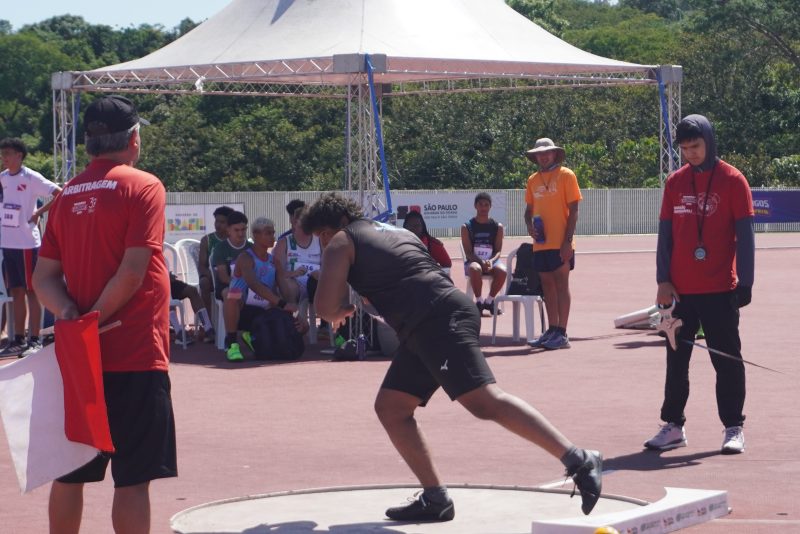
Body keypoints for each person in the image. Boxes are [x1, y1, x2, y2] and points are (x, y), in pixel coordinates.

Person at [303, 192, 602, 522]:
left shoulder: (341, 241)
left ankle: (578, 458)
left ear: (339, 224)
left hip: (435, 321)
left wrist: (343, 310)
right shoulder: (396, 232)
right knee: (392, 408)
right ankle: (436, 498)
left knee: (484, 401)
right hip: (435, 318)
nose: (323, 243)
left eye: (323, 235)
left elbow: (325, 308)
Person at [32, 95, 176, 533]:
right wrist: (94, 319)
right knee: (132, 479)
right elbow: (132, 272)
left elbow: (43, 279)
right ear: (133, 139)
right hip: (135, 351)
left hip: (80, 358)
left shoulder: (66, 195)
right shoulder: (143, 186)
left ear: (89, 143)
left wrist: (72, 315)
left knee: (69, 472)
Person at [644, 114, 754, 455]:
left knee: (727, 360)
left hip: (720, 290)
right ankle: (673, 425)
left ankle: (733, 426)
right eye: (685, 148)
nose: (691, 153)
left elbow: (745, 237)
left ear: (709, 141)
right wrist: (662, 279)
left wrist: (746, 282)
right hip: (680, 291)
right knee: (676, 361)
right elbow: (665, 235)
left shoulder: (733, 180)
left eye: (696, 146)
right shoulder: (675, 182)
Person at [0, 137, 62, 357]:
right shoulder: (2, 178)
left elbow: (59, 193)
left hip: (27, 244)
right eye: (2, 154)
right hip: (7, 243)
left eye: (8, 153)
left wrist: (38, 213)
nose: (4, 158)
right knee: (15, 291)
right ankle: (17, 339)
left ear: (19, 155)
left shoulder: (31, 177)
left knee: (31, 291)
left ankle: (34, 339)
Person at [523, 137, 582, 351]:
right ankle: (552, 329)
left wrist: (567, 241)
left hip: (561, 241)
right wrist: (529, 226)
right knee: (547, 286)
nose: (544, 156)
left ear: (555, 154)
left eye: (547, 152)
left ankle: (562, 332)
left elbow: (574, 210)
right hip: (541, 242)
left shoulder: (567, 175)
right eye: (540, 153)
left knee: (561, 284)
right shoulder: (532, 179)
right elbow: (528, 211)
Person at [226, 217, 305, 361]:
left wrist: (297, 314)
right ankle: (232, 345)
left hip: (264, 311)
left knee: (298, 323)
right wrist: (282, 304)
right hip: (242, 310)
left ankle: (254, 336)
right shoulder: (245, 258)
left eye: (273, 233)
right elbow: (254, 284)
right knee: (232, 295)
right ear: (256, 235)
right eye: (268, 233)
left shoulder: (274, 261)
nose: (272, 237)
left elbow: (285, 291)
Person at [460, 192, 506, 315]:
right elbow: (468, 252)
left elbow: (498, 251)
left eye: (486, 205)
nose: (483, 208)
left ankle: (489, 301)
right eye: (480, 204)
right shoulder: (466, 227)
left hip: (491, 262)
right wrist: (481, 262)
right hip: (474, 261)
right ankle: (479, 302)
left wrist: (490, 261)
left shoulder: (498, 227)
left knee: (503, 271)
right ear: (475, 206)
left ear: (490, 207)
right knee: (475, 269)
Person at [273, 205, 322, 307]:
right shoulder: (283, 243)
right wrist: (293, 273)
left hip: (316, 283)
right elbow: (278, 274)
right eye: (304, 222)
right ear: (295, 223)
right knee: (287, 283)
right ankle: (293, 312)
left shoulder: (320, 240)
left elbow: (329, 267)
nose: (308, 226)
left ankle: (322, 314)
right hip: (294, 284)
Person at [198, 205, 234, 316]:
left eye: (222, 222)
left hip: (232, 277)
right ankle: (208, 321)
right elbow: (201, 266)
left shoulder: (235, 239)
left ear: (230, 224)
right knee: (204, 283)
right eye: (216, 221)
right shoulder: (207, 240)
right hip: (212, 277)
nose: (218, 225)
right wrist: (214, 277)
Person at [169, 272, 215, 343]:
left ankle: (208, 328)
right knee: (167, 296)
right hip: (157, 284)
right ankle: (179, 332)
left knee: (192, 290)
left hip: (168, 281)